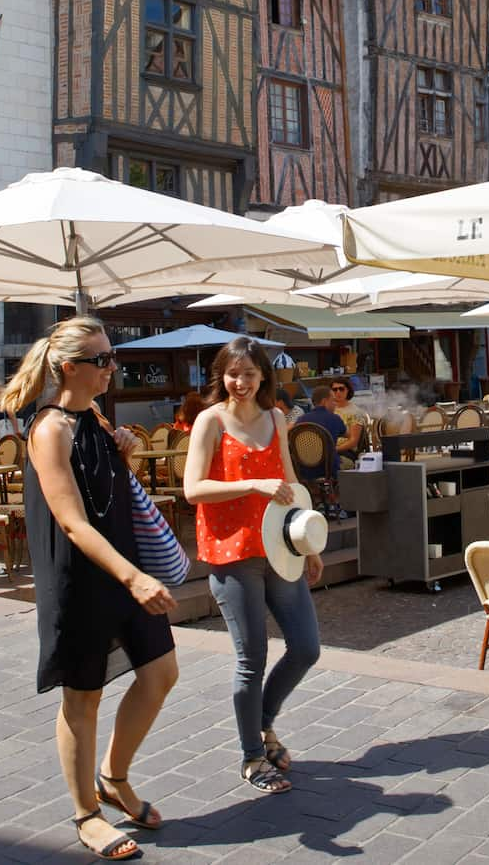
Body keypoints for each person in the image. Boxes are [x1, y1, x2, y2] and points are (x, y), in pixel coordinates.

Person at [3, 317, 176, 862]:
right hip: (80, 578)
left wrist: (122, 454)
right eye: (101, 359)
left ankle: (112, 775)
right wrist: (134, 575)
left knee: (161, 672)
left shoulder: (96, 417)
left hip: (122, 567)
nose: (112, 367)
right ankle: (86, 813)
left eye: (112, 357)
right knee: (83, 696)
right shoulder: (48, 428)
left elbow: (108, 495)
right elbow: (74, 523)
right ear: (68, 367)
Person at [185, 337, 323, 796]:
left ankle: (263, 725)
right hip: (231, 551)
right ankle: (251, 756)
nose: (239, 382)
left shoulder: (276, 418)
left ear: (264, 374)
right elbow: (193, 490)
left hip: (281, 547)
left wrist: (310, 540)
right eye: (231, 373)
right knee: (252, 659)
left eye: (248, 373)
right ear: (220, 376)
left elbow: (289, 480)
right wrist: (252, 484)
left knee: (306, 647)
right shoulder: (210, 420)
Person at [293, 386, 352, 518]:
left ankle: (318, 501)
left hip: (304, 469)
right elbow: (348, 435)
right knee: (351, 465)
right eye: (333, 401)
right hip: (328, 467)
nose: (335, 404)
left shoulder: (301, 420)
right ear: (325, 401)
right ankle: (335, 503)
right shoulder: (334, 418)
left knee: (312, 473)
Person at [326, 378, 366, 448]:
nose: (338, 392)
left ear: (348, 390)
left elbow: (353, 441)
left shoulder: (355, 412)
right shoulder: (328, 410)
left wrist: (334, 451)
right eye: (334, 390)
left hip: (345, 451)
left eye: (341, 389)